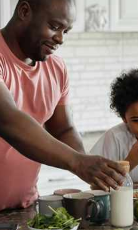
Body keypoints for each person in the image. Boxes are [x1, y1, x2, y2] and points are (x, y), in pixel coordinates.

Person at [0, 0, 126, 211]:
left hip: (24, 209)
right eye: (54, 27)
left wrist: (91, 169)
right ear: (24, 11)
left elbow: (63, 129)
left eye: (65, 31)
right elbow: (7, 119)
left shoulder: (56, 68)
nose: (60, 39)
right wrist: (77, 162)